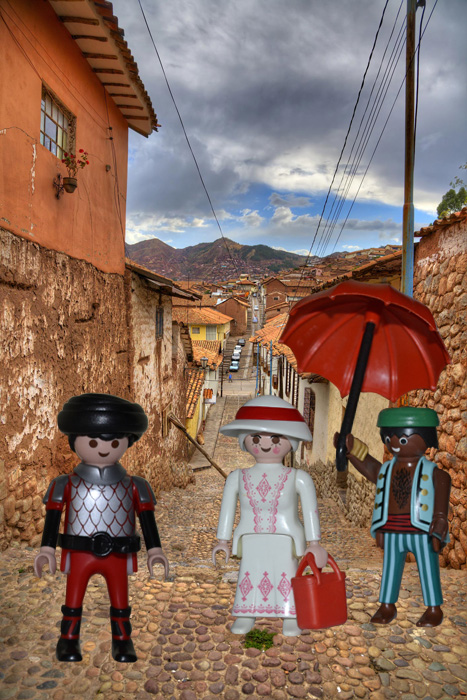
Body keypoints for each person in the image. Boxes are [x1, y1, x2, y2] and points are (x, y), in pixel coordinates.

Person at [34, 393, 169, 662]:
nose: (104, 448)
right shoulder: (65, 484)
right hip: (79, 551)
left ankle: (122, 641)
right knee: (73, 597)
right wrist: (47, 549)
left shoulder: (136, 485)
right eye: (94, 442)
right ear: (75, 441)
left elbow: (147, 520)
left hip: (118, 552)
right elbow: (53, 517)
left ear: (127, 442)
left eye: (115, 442)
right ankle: (68, 640)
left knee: (120, 598)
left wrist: (155, 550)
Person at [212, 395, 327, 636]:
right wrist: (222, 540)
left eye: (275, 438)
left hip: (286, 539)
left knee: (287, 574)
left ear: (290, 442)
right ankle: (246, 613)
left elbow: (310, 510)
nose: (265, 444)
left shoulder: (298, 478)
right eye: (256, 438)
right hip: (251, 537)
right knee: (250, 573)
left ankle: (291, 614)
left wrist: (315, 543)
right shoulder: (237, 477)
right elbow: (227, 509)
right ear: (245, 441)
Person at [336, 406, 450, 627]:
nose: (395, 443)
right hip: (392, 528)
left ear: (426, 438)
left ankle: (434, 608)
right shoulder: (387, 469)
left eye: (403, 439)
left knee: (428, 567)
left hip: (421, 528)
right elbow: (371, 468)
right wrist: (350, 451)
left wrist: (439, 522)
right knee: (390, 568)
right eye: (389, 438)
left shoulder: (435, 473)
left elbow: (440, 504)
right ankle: (387, 605)